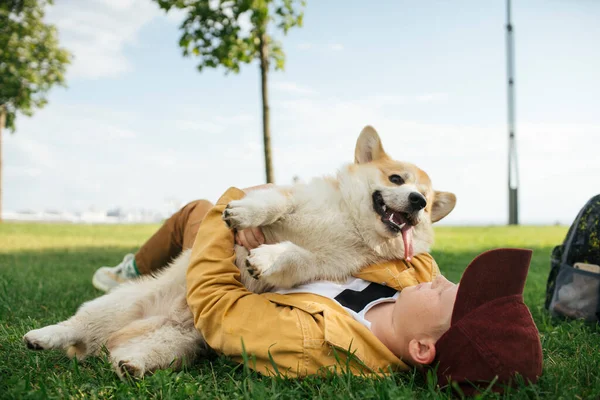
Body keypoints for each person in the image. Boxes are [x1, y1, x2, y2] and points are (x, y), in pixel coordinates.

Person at [93, 187, 543, 395]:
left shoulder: (313, 344)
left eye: (447, 294)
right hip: (270, 241)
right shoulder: (413, 283)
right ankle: (131, 272)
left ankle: (129, 271)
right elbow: (410, 228)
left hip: (227, 263)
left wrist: (229, 221)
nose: (441, 277)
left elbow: (216, 307)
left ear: (423, 348)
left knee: (198, 209)